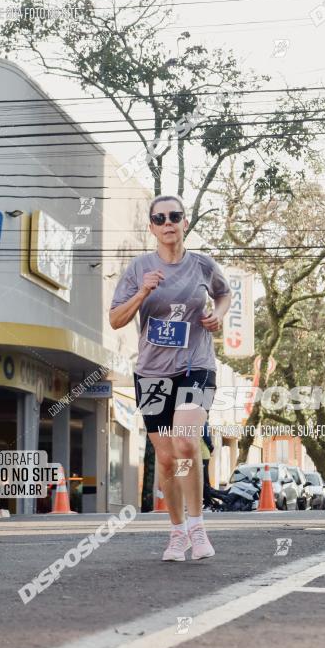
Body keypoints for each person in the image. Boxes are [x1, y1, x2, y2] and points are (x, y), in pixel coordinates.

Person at [109, 195, 231, 561]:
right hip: (152, 373)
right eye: (159, 218)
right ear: (152, 227)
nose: (167, 223)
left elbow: (225, 294)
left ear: (184, 223)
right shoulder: (138, 269)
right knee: (165, 459)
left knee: (187, 442)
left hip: (196, 366)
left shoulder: (202, 265)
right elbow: (115, 319)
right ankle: (177, 533)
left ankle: (198, 526)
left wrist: (219, 315)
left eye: (174, 216)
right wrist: (144, 291)